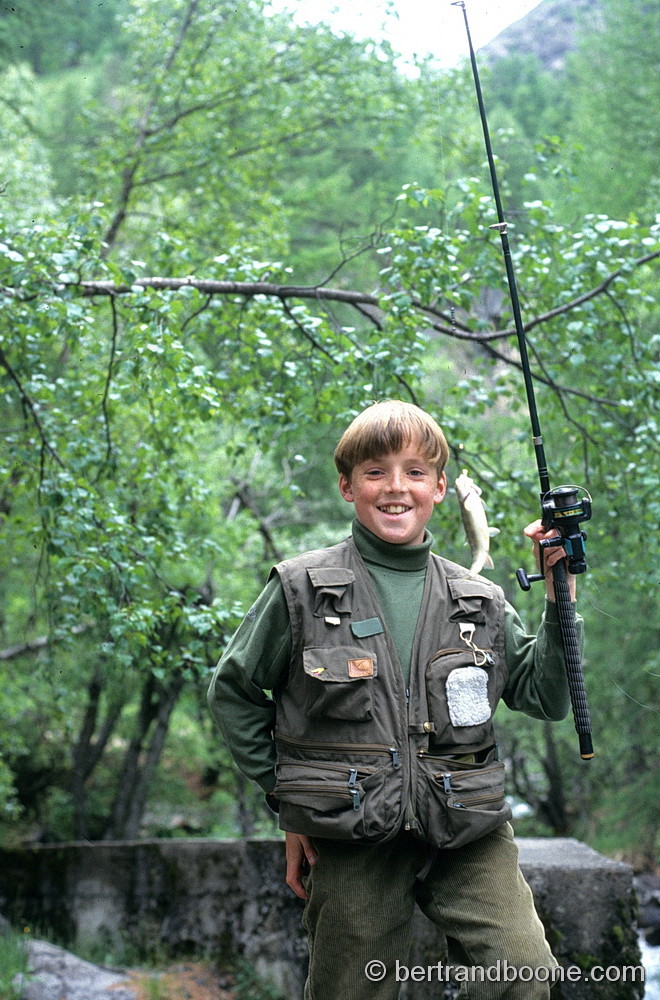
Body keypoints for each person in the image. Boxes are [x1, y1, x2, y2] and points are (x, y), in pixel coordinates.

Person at [207, 399, 581, 1000]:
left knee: (526, 977)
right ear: (347, 487)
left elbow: (544, 695)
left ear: (438, 487)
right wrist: (287, 799)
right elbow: (234, 691)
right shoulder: (301, 588)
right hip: (352, 833)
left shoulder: (478, 598)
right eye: (375, 471)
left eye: (413, 471)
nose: (395, 487)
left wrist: (558, 599)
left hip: (467, 830)